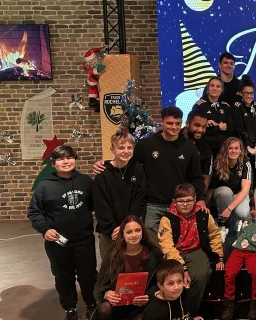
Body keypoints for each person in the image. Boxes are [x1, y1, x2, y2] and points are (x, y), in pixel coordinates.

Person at [93, 106, 207, 241]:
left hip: (178, 204)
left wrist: (200, 199)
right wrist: (105, 164)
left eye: (177, 123)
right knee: (152, 243)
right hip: (153, 204)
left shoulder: (189, 148)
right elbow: (126, 161)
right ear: (162, 122)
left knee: (178, 240)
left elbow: (197, 177)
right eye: (169, 123)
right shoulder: (146, 145)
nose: (174, 127)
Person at [28, 145, 97, 320]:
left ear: (75, 159)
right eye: (60, 159)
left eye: (69, 157)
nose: (66, 162)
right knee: (63, 276)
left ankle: (91, 304)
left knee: (88, 274)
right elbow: (34, 212)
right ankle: (70, 308)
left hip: (84, 239)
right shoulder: (44, 186)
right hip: (58, 241)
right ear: (53, 163)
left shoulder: (86, 181)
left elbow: (97, 205)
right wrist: (45, 229)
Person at [158, 183, 224, 316]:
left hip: (196, 250)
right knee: (177, 278)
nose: (185, 204)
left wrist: (219, 256)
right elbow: (166, 245)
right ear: (174, 202)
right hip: (175, 253)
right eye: (181, 201)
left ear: (195, 200)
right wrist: (183, 268)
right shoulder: (167, 218)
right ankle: (173, 312)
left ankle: (191, 312)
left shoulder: (203, 215)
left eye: (189, 200)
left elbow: (215, 235)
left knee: (201, 274)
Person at [93, 215, 163, 320]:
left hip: (142, 303)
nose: (134, 235)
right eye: (129, 232)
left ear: (143, 232)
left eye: (137, 230)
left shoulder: (154, 253)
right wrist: (106, 294)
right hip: (118, 303)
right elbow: (99, 285)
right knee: (104, 308)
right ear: (122, 235)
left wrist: (149, 295)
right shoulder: (112, 255)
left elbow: (161, 282)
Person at [93, 131, 146, 263]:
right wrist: (113, 228)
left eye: (129, 147)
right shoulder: (103, 173)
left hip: (131, 228)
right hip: (110, 231)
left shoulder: (137, 169)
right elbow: (100, 204)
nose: (125, 151)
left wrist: (127, 225)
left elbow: (139, 198)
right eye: (121, 147)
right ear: (112, 149)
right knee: (110, 266)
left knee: (131, 265)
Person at [207, 137, 252, 255]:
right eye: (230, 148)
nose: (233, 151)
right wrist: (205, 205)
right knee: (224, 191)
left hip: (238, 194)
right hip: (222, 195)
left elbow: (245, 190)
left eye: (236, 148)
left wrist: (229, 208)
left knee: (243, 212)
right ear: (225, 150)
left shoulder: (245, 162)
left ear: (241, 150)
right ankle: (223, 225)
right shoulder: (218, 162)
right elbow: (211, 189)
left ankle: (238, 222)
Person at [221, 200, 256, 320]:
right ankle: (229, 302)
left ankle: (255, 302)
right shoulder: (247, 218)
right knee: (229, 272)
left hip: (254, 251)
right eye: (251, 209)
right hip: (239, 249)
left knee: (255, 273)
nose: (253, 211)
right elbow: (241, 235)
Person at [193, 77, 234, 156]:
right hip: (204, 149)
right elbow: (198, 130)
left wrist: (212, 126)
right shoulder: (199, 105)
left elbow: (230, 129)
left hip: (223, 149)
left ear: (222, 89)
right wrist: (219, 127)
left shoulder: (226, 106)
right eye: (212, 86)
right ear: (208, 88)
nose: (215, 88)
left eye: (218, 86)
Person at [181, 110, 212, 194]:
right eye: (197, 125)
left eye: (204, 127)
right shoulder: (174, 140)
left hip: (193, 192)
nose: (200, 130)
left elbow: (205, 178)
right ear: (187, 123)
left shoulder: (205, 148)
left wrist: (198, 198)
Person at [231, 75, 256, 156]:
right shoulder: (237, 107)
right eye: (246, 93)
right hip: (243, 146)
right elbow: (239, 129)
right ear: (241, 93)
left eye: (251, 93)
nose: (249, 96)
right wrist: (248, 146)